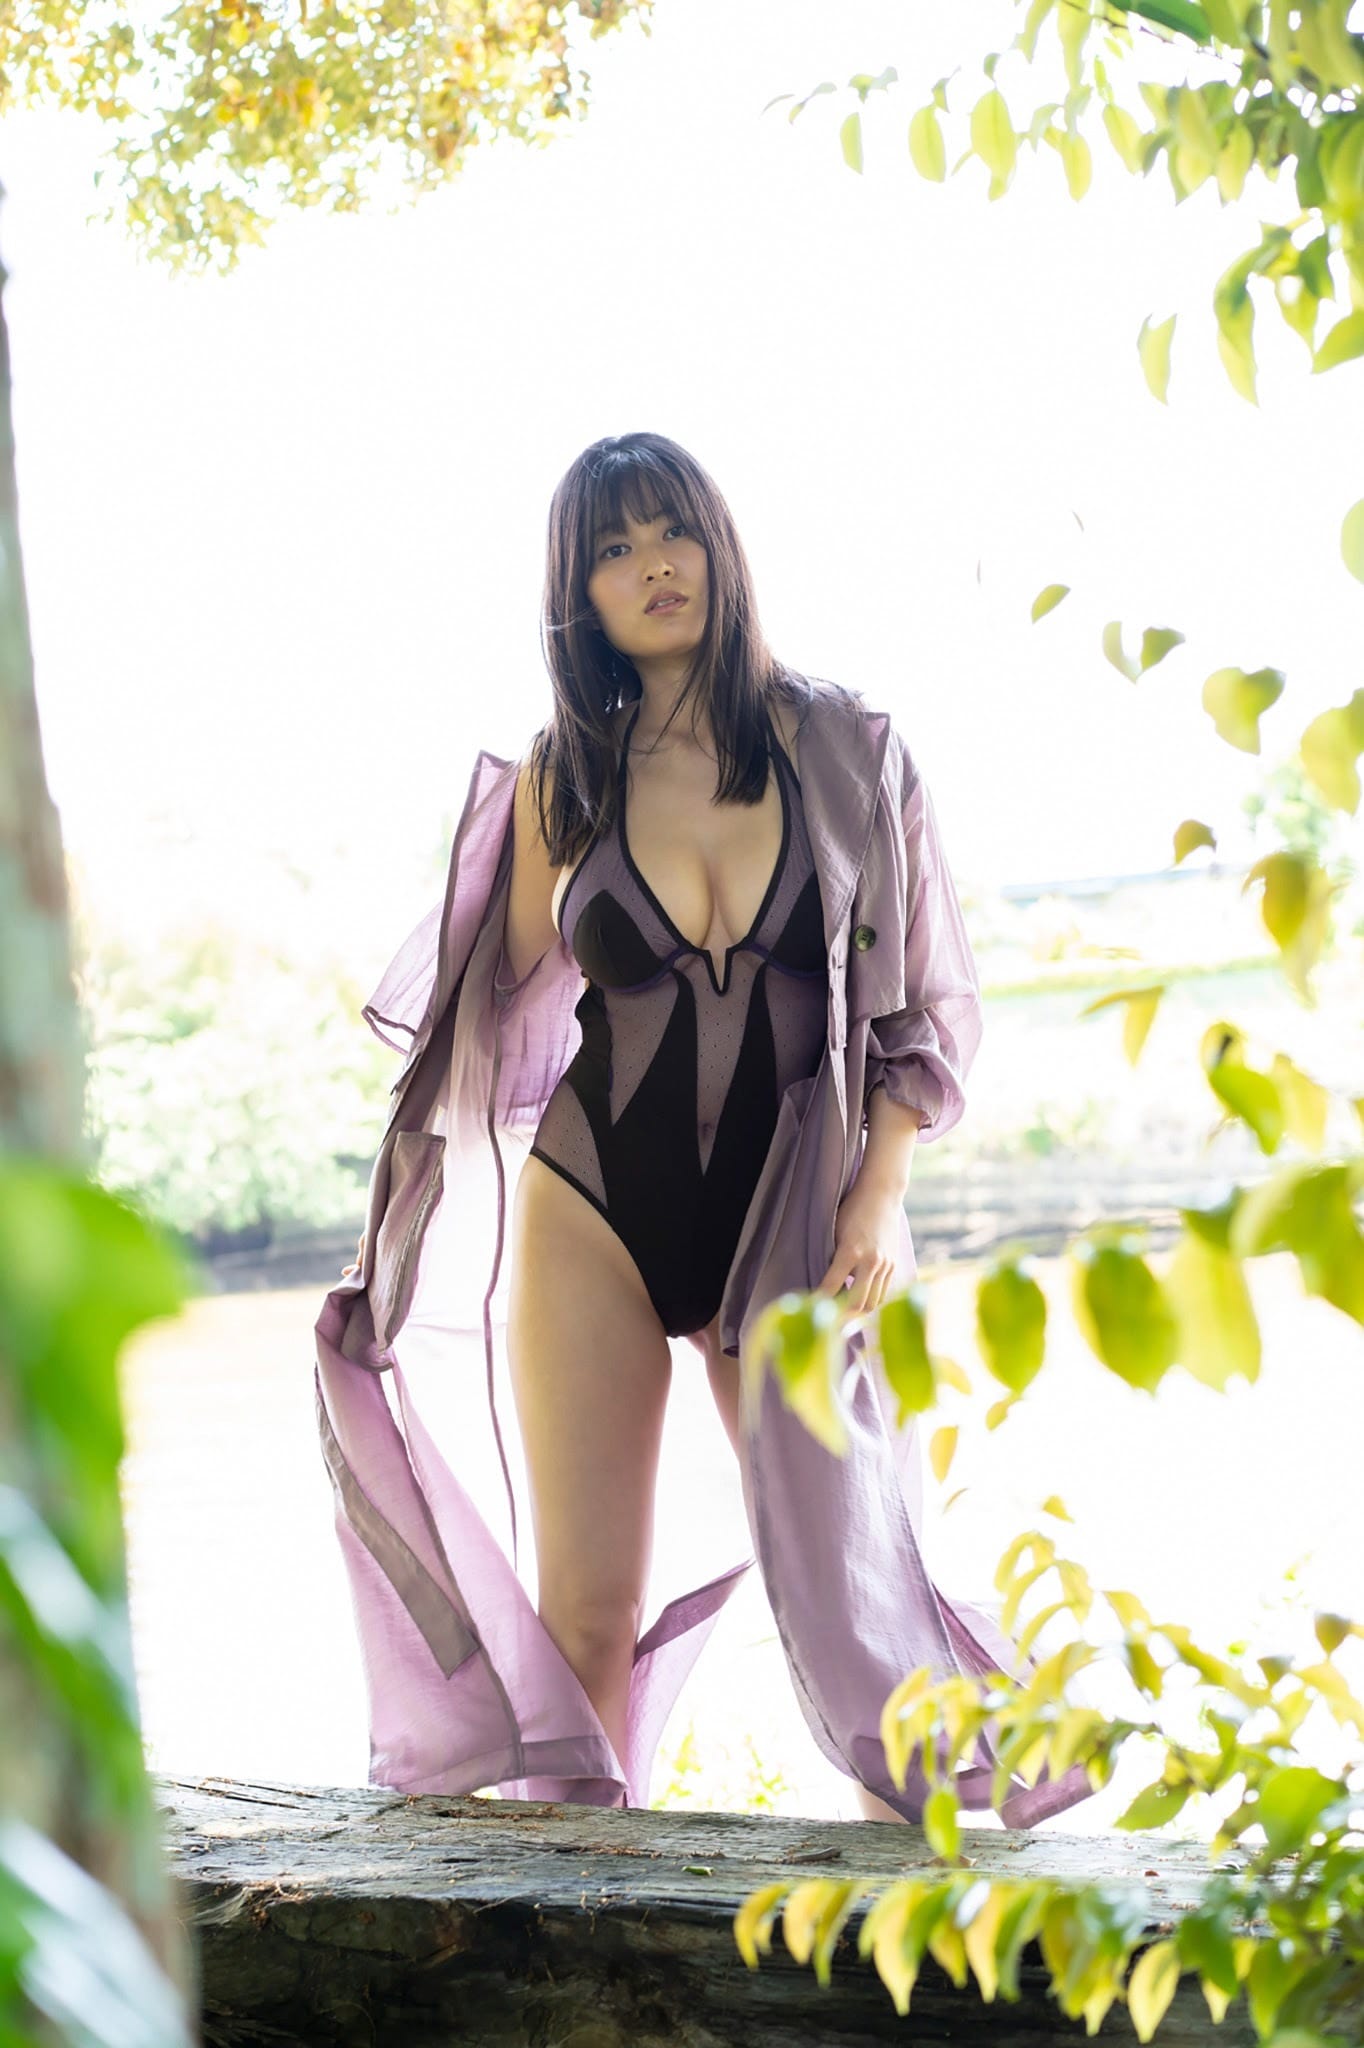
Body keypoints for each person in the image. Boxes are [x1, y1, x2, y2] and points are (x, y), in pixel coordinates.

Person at [318, 431, 1097, 1827]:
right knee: (588, 1609)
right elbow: (481, 1017)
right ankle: (572, 1919)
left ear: (717, 543)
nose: (651, 566)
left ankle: (918, 1909)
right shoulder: (564, 779)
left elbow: (920, 1010)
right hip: (596, 1208)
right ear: (578, 594)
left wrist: (878, 1194)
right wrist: (399, 1232)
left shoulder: (849, 751)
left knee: (856, 1594)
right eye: (611, 550)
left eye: (670, 529)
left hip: (797, 1217)